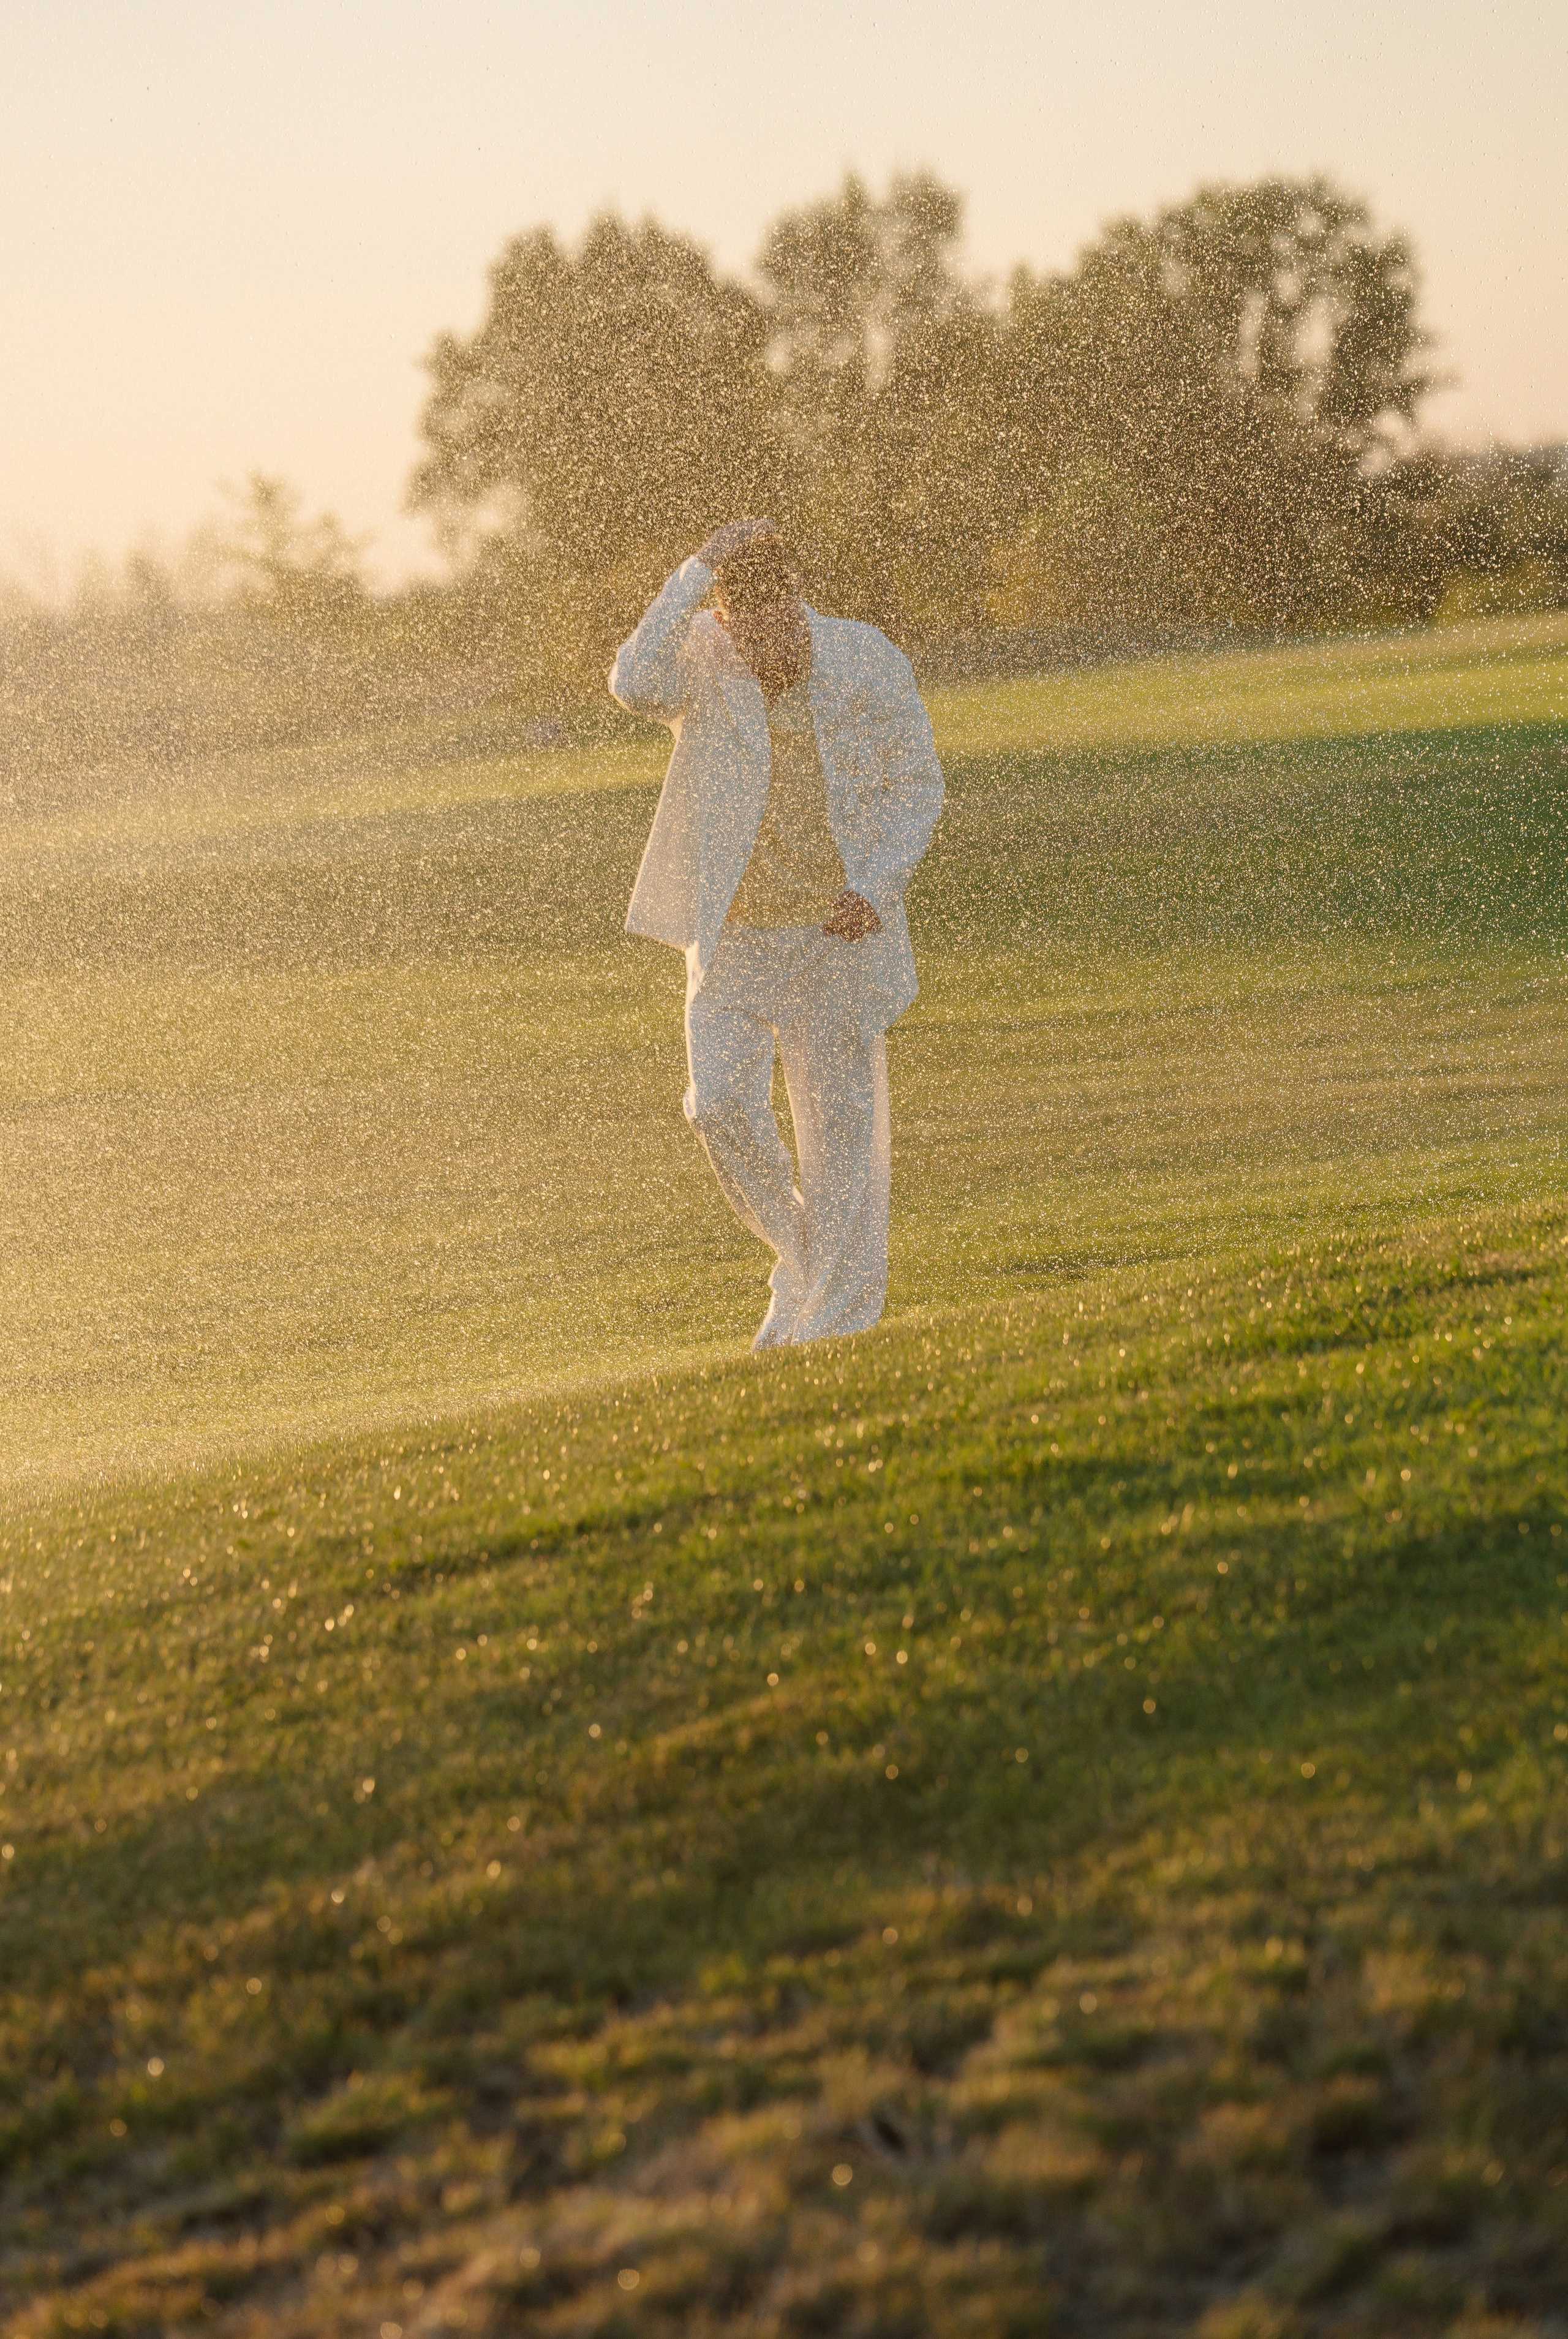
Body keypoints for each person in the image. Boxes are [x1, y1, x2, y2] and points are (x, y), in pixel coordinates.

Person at [609, 519, 944, 1350]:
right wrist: (697, 568)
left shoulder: (864, 656)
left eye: (786, 629)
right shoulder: (700, 654)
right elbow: (633, 683)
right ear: (726, 623)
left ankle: (835, 1327)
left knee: (842, 1149)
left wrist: (877, 885)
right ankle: (802, 1265)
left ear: (800, 602)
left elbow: (916, 783)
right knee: (717, 1107)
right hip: (733, 941)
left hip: (836, 939)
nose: (775, 653)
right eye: (754, 638)